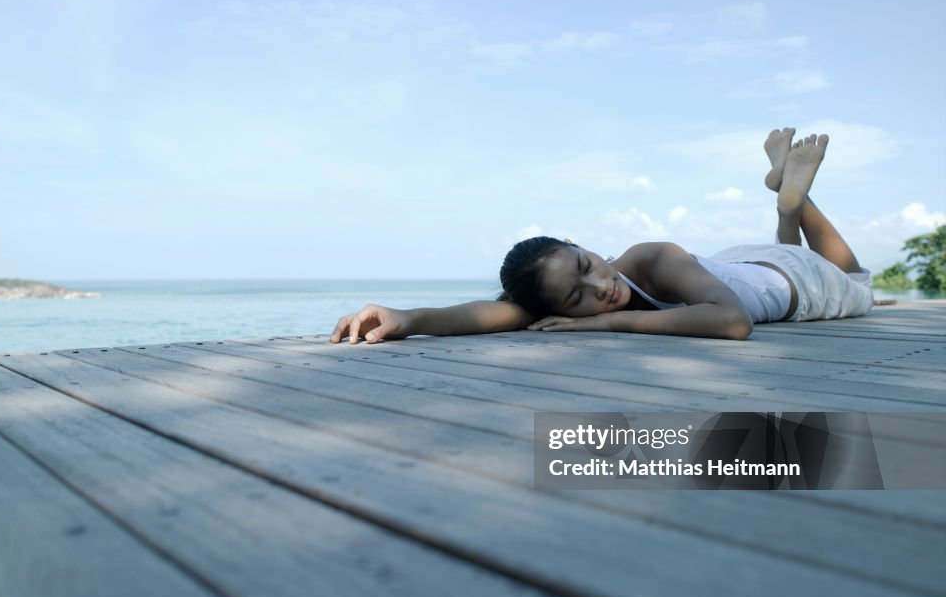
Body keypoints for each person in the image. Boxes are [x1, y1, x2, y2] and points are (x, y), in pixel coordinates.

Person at [330, 128, 874, 344]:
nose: (600, 287)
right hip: (753, 267)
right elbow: (494, 313)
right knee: (786, 255)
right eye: (577, 297)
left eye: (587, 264)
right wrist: (410, 319)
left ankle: (797, 202)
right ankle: (786, 202)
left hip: (790, 283)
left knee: (855, 280)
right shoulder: (573, 297)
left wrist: (613, 321)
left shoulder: (651, 256)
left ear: (583, 245)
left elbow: (732, 323)